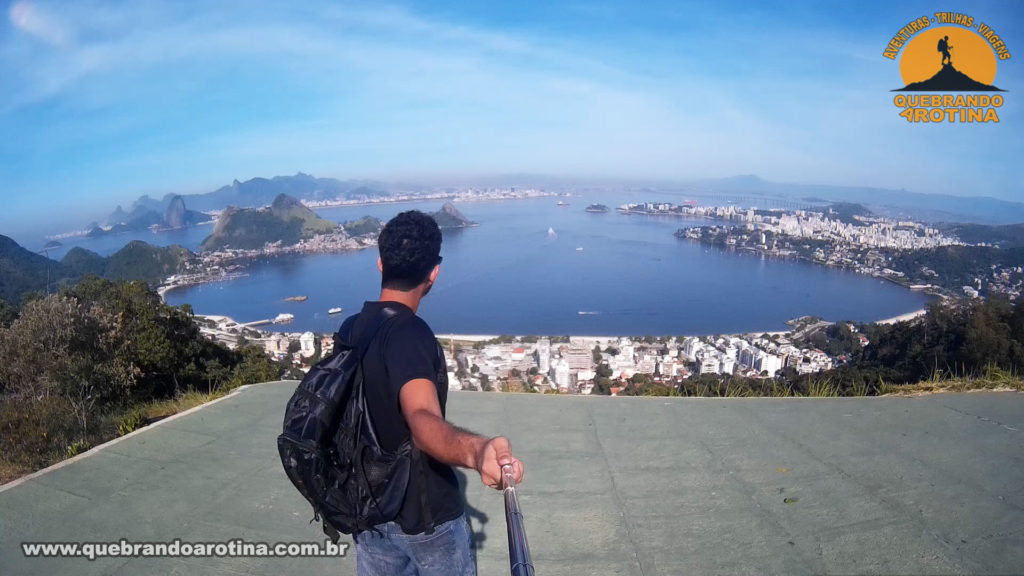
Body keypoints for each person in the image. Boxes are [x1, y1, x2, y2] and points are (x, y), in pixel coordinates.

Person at [343, 210, 525, 576]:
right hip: (428, 520)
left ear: (380, 263)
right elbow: (421, 418)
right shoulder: (410, 334)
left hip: (367, 512)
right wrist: (478, 451)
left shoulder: (351, 329)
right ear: (434, 272)